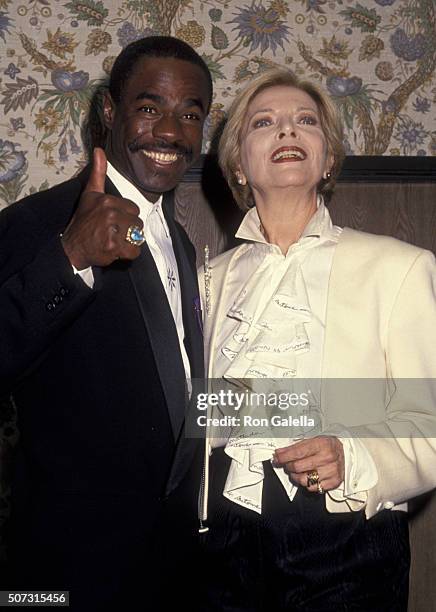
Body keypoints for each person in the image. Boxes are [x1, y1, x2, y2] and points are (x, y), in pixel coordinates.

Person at [197, 67, 436, 611]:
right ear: (238, 163)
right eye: (265, 122)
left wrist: (352, 454)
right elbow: (199, 415)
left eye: (305, 121)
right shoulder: (206, 283)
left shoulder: (400, 268)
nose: (287, 131)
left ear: (327, 159)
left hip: (349, 540)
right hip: (221, 541)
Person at [0, 36, 212, 611]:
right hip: (56, 576)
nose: (171, 132)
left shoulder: (185, 247)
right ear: (110, 112)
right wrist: (68, 258)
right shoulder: (35, 223)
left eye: (190, 115)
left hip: (166, 573)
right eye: (150, 108)